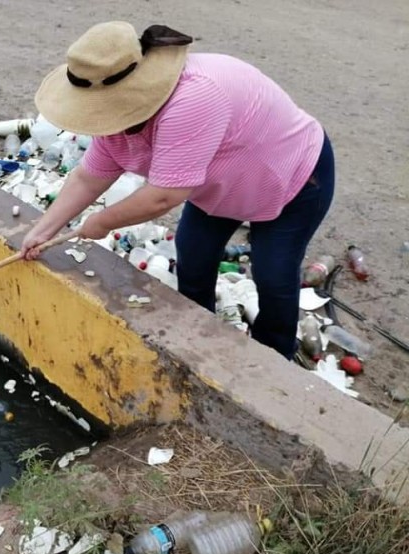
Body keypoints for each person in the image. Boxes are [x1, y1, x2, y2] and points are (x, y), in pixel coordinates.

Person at [22, 22, 334, 360]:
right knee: (193, 253)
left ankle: (272, 360)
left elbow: (163, 195)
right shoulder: (117, 121)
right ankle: (198, 343)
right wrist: (43, 230)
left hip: (294, 178)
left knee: (273, 274)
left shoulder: (193, 98)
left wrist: (103, 220)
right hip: (217, 185)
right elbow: (88, 178)